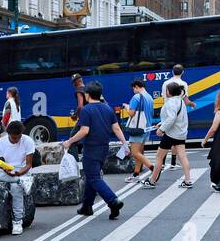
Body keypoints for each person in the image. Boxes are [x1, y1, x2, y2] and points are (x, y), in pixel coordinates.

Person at [61, 81, 127, 219]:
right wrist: (124, 143)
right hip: (104, 148)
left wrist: (70, 141)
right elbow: (116, 128)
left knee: (94, 177)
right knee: (92, 176)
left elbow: (84, 131)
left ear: (87, 95)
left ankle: (113, 201)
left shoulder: (86, 110)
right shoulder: (107, 108)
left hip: (91, 148)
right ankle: (87, 206)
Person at [0, 120, 35, 234]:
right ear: (8, 134)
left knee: (15, 188)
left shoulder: (28, 141)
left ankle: (17, 221)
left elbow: (28, 164)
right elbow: (0, 161)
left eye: (18, 137)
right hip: (8, 171)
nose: (16, 140)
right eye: (13, 138)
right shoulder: (1, 142)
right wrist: (6, 170)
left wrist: (18, 173)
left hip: (22, 171)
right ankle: (19, 181)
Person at [145, 80, 194, 189]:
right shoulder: (180, 101)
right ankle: (187, 180)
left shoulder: (170, 103)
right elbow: (175, 117)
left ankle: (152, 180)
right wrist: (161, 124)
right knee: (182, 156)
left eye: (166, 89)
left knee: (159, 157)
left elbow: (171, 118)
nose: (165, 91)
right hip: (180, 133)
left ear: (169, 92)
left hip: (170, 134)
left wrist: (161, 129)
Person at [122, 78, 156, 184]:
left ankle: (154, 169)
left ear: (137, 87)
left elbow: (131, 113)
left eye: (133, 89)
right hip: (146, 128)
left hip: (137, 129)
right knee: (140, 152)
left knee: (135, 153)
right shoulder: (149, 97)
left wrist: (127, 107)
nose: (133, 91)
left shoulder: (136, 97)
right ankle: (136, 174)